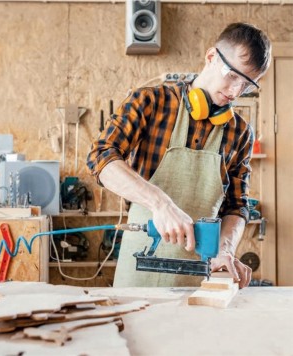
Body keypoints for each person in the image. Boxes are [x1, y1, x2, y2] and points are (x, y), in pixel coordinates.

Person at [86, 23, 271, 289]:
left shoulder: (240, 132)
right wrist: (160, 203)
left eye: (246, 85)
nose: (234, 92)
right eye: (232, 75)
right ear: (211, 57)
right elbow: (100, 157)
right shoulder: (151, 102)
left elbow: (237, 205)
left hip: (197, 278)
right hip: (138, 274)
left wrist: (226, 249)